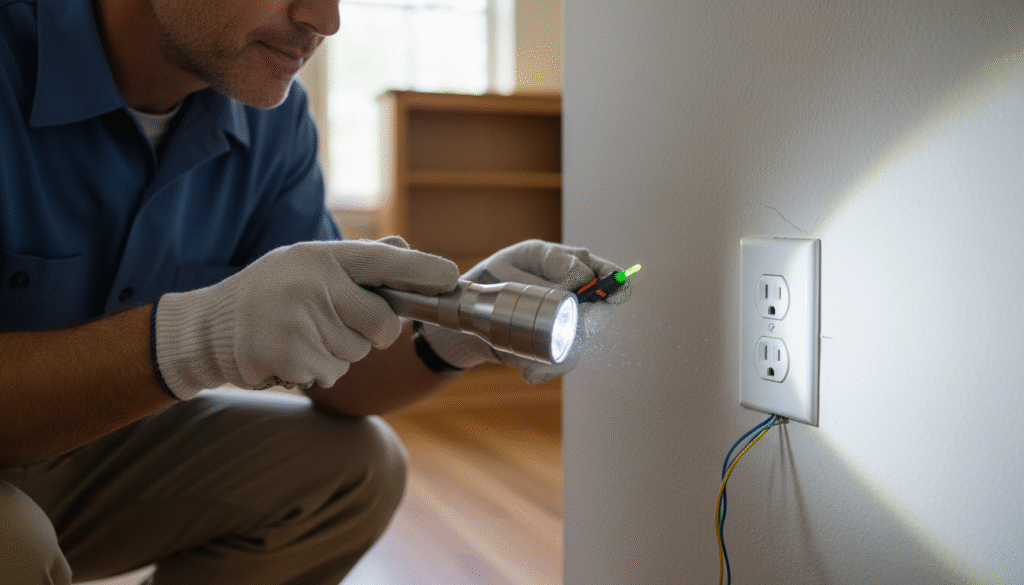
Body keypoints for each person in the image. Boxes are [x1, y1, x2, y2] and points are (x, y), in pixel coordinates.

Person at [0, 0, 629, 583]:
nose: (325, 20)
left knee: (356, 470)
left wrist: (460, 329)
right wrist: (197, 339)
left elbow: (344, 379)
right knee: (13, 543)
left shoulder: (270, 119)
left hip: (89, 459)